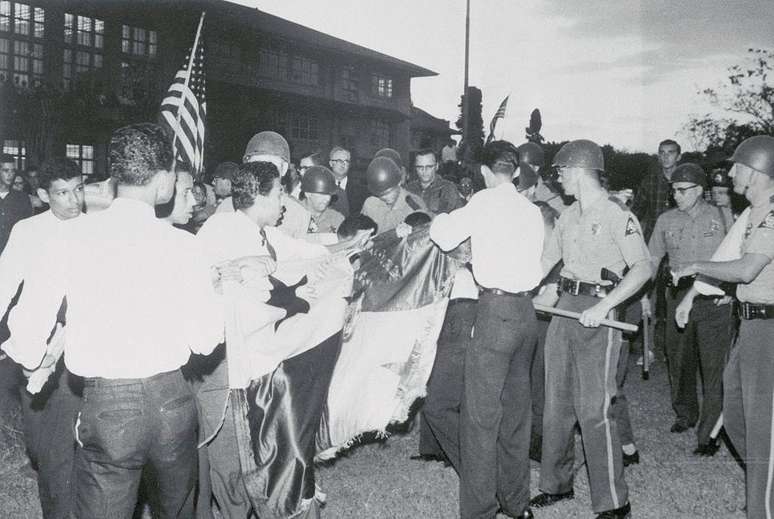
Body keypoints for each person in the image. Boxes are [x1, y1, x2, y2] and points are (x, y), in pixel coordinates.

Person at [1, 123, 224, 518]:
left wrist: (33, 358)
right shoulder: (185, 246)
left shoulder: (70, 238)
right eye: (173, 173)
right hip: (172, 400)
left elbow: (29, 329)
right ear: (160, 181)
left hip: (108, 405)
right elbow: (206, 340)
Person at [531, 139, 651, 519]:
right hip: (565, 309)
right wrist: (518, 289)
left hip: (601, 311)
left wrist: (604, 306)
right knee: (556, 404)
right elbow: (545, 262)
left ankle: (614, 502)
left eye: (562, 171)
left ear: (579, 169)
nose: (559, 178)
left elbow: (643, 268)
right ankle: (556, 484)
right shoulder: (567, 215)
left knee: (594, 408)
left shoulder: (617, 213)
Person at [429, 139, 544, 519]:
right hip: (527, 312)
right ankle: (517, 503)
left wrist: (439, 218)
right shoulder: (531, 211)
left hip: (494, 311)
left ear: (483, 171)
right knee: (516, 414)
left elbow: (444, 236)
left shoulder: (483, 202)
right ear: (513, 170)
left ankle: (480, 511)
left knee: (480, 418)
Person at [672, 135, 774, 518]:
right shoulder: (751, 214)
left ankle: (762, 508)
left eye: (736, 167)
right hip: (750, 327)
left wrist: (697, 265)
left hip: (769, 329)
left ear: (757, 171)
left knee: (763, 431)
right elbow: (728, 254)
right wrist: (691, 295)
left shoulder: (772, 214)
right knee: (733, 413)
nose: (730, 173)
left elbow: (746, 269)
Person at [0, 157, 85, 519]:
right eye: (62, 193)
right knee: (37, 443)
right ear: (42, 195)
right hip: (32, 344)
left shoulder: (96, 231)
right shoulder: (27, 230)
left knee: (57, 450)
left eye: (78, 189)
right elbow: (4, 283)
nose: (72, 200)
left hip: (77, 346)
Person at [647, 163, 733, 455]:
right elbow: (651, 260)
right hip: (677, 295)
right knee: (679, 358)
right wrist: (643, 296)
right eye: (673, 190)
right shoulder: (665, 220)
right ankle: (685, 413)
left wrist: (732, 292)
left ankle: (709, 432)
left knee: (713, 366)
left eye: (683, 191)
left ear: (699, 190)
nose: (677, 196)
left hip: (713, 298)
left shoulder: (721, 216)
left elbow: (738, 257)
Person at [240, 131, 312, 238]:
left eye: (270, 166)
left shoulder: (298, 214)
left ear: (284, 169)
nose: (262, 172)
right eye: (255, 165)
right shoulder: (228, 207)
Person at [632, 139, 682, 242]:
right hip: (654, 240)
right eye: (662, 153)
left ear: (679, 157)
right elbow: (636, 212)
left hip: (680, 241)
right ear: (658, 156)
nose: (665, 157)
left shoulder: (687, 181)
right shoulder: (649, 181)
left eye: (670, 152)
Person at [361, 156, 428, 234]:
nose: (384, 197)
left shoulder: (414, 203)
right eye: (380, 194)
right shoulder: (370, 204)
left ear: (399, 182)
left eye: (388, 192)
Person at [406, 148, 464, 214]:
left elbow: (459, 217)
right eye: (420, 167)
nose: (424, 171)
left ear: (436, 166)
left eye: (429, 167)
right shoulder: (409, 189)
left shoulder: (448, 189)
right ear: (415, 168)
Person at [0, 153, 33, 254]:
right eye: (6, 171)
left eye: (13, 171)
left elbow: (27, 230)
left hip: (14, 253)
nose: (10, 174)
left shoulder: (22, 198)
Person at [300, 166, 345, 234]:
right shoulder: (294, 215)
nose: (327, 199)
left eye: (329, 194)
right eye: (322, 194)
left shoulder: (337, 219)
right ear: (308, 193)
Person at [328, 146, 368, 216]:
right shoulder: (323, 188)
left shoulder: (361, 191)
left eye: (346, 161)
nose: (343, 164)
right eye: (339, 161)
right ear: (331, 163)